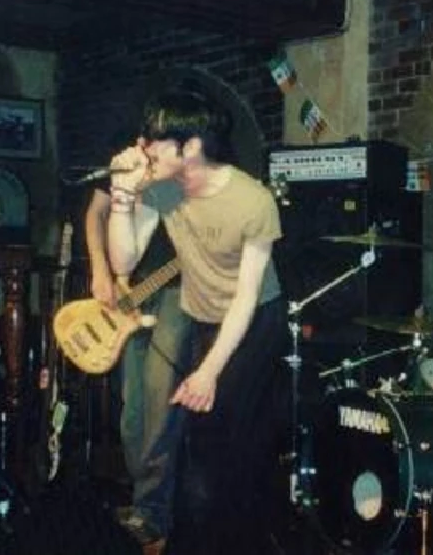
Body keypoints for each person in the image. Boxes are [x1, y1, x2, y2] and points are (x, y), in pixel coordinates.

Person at [105, 89, 288, 555]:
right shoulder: (162, 187)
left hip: (253, 321)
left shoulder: (253, 200)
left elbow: (245, 298)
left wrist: (209, 371)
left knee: (222, 438)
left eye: (154, 140)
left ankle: (235, 535)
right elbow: (124, 258)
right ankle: (185, 529)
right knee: (182, 428)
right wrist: (123, 199)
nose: (142, 146)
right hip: (197, 311)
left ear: (189, 148)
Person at [84, 177, 191, 550]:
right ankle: (144, 502)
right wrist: (102, 270)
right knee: (133, 411)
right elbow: (95, 213)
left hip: (178, 289)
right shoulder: (124, 160)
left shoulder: (186, 161)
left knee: (162, 404)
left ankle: (153, 516)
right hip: (131, 292)